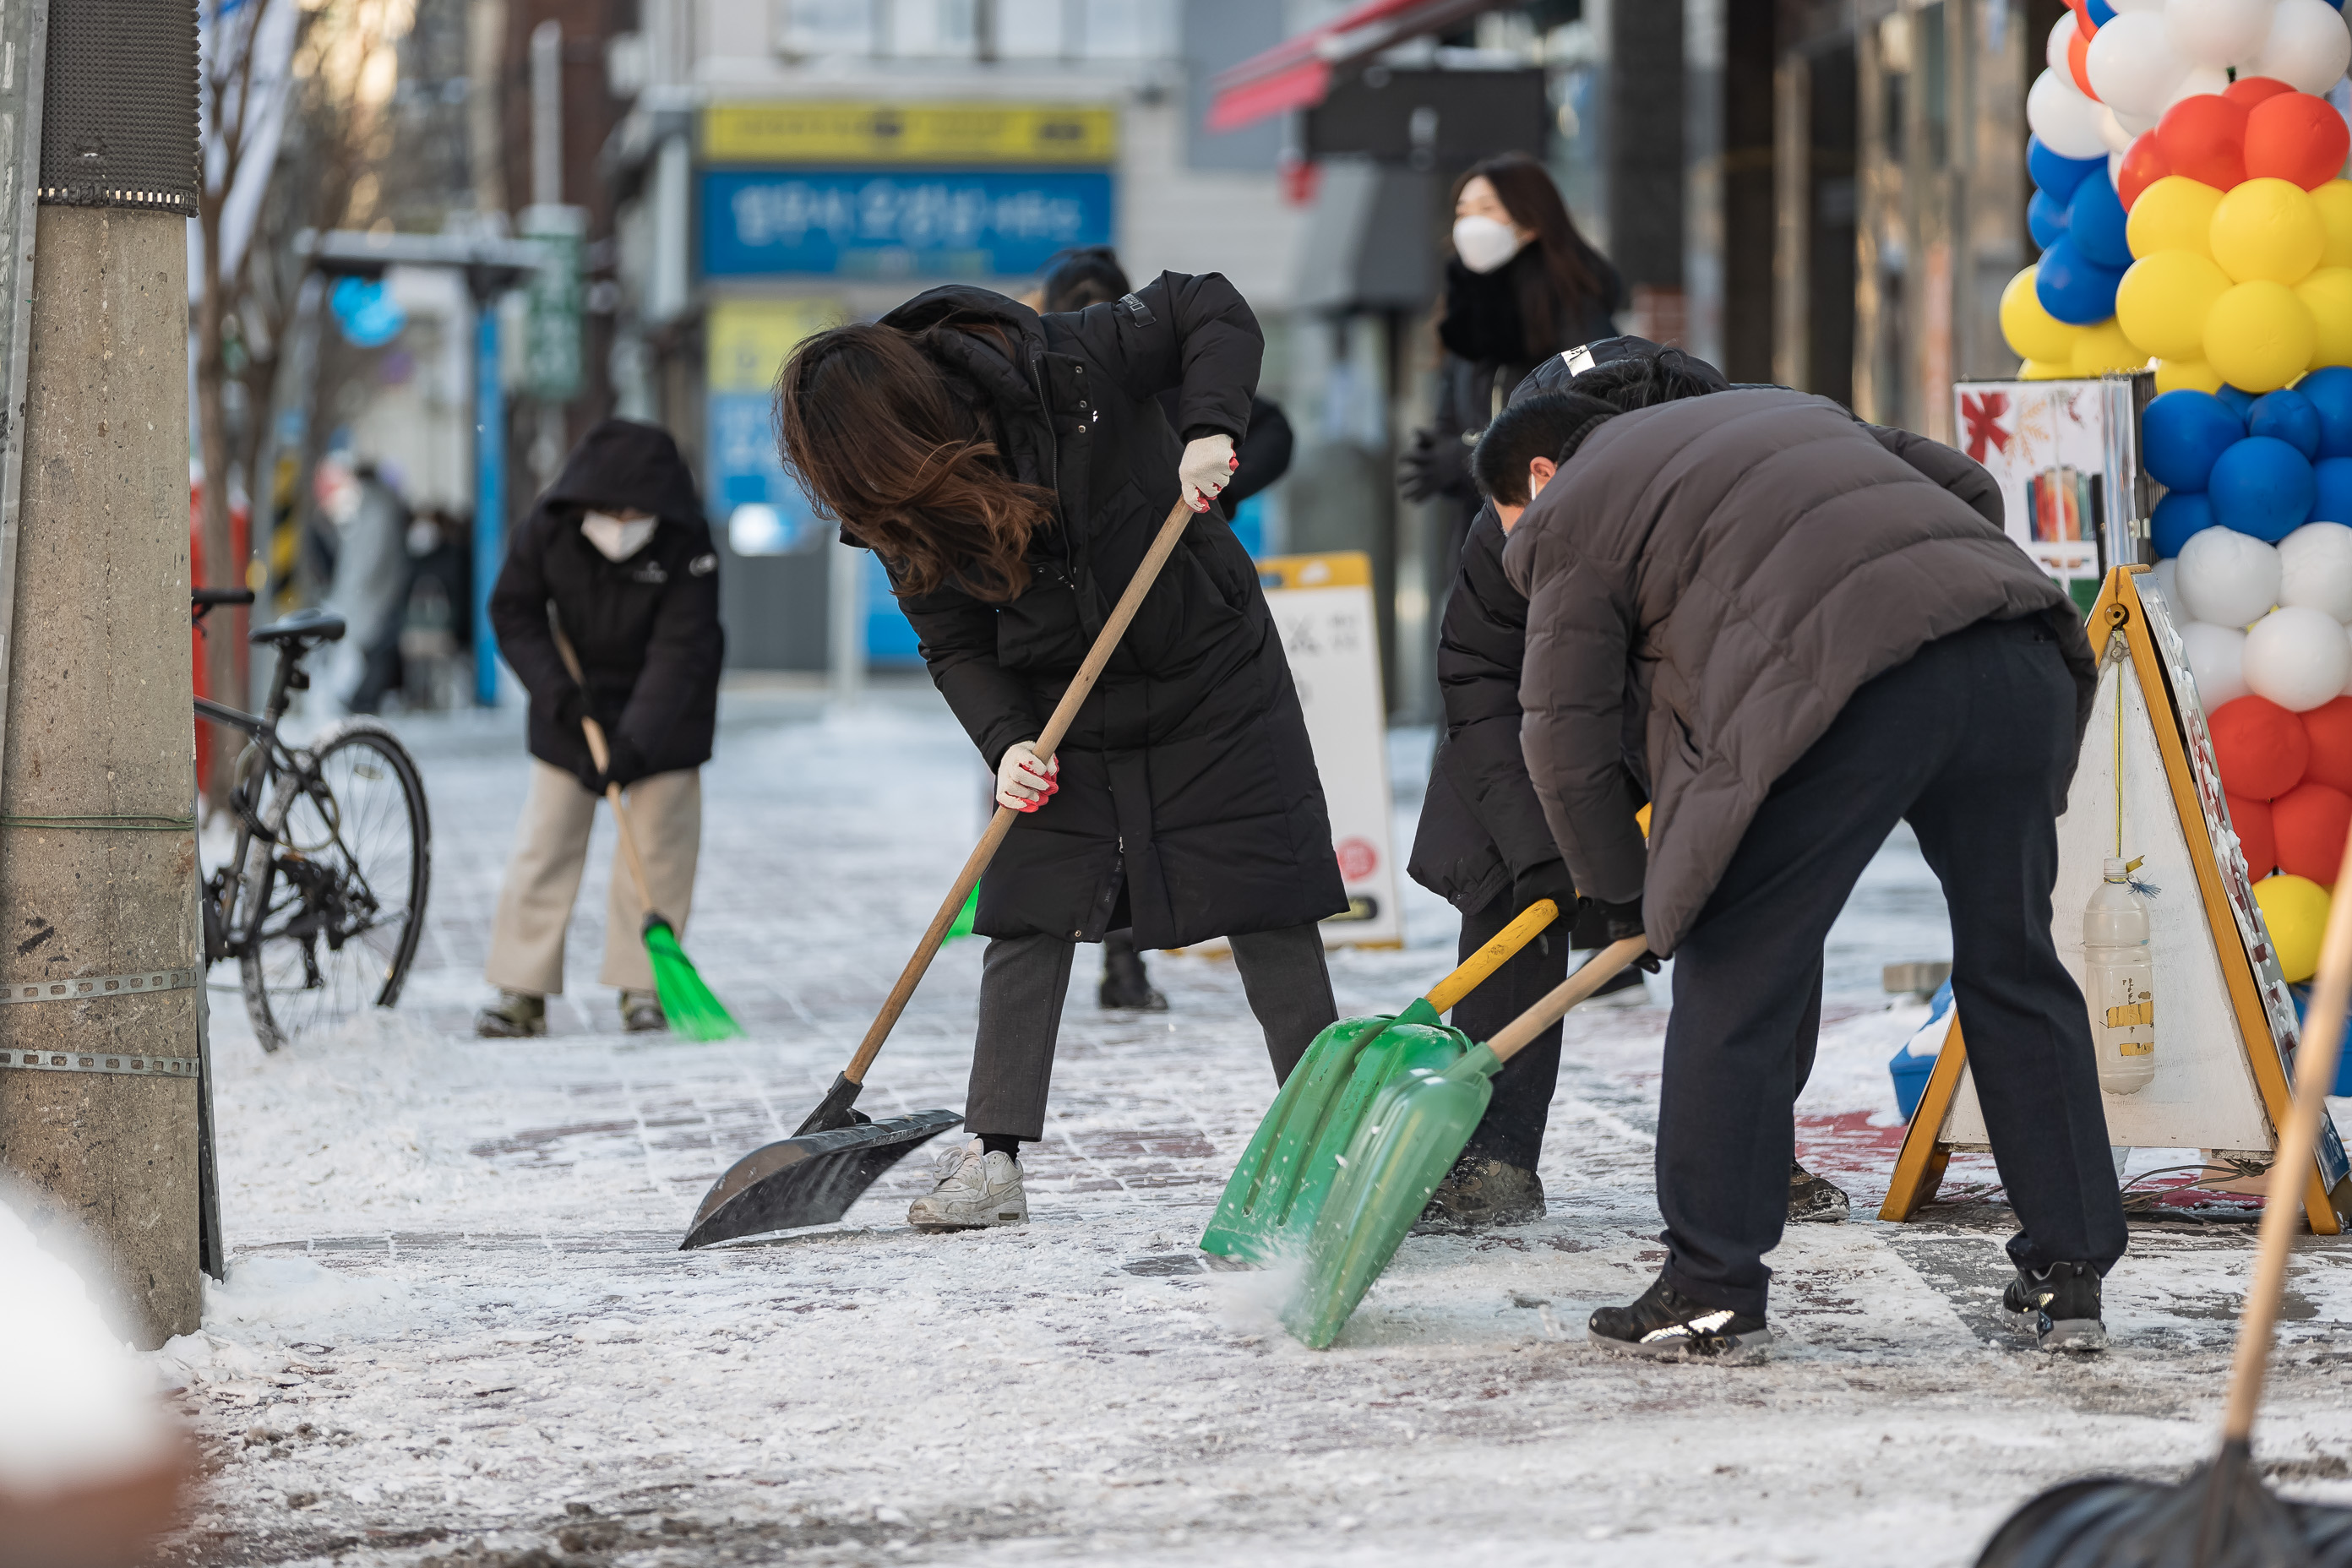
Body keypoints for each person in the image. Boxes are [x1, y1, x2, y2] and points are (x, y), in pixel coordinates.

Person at [1504, 382, 2127, 1358]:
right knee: (2013, 961)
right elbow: (1964, 481)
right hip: (2016, 650)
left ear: (1540, 474)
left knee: (1734, 978)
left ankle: (1710, 1283)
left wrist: (1628, 896)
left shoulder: (1571, 510)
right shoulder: (1783, 408)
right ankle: (2071, 1267)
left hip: (1849, 688)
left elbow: (1564, 741)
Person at [776, 271, 1345, 1232]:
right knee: (1028, 904)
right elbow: (952, 640)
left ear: (912, 427)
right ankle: (991, 1158)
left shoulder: (1069, 361)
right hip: (1057, 698)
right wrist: (1004, 743)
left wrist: (1211, 427)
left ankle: (1333, 1138)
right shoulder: (899, 506)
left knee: (1266, 893)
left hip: (1205, 667)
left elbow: (1210, 304)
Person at [1408, 340, 1853, 1233]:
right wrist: (1545, 847)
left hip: (1712, 703)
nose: (1519, 547)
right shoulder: (1514, 510)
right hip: (1550, 713)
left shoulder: (1717, 486)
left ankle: (1756, 1143)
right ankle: (1493, 1155)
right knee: (1505, 882)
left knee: (1758, 890)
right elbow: (1479, 680)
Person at [1033, 245, 1298, 1013]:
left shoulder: (1167, 373)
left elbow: (1267, 427)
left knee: (1130, 806)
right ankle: (1122, 961)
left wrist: (1215, 459)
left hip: (1173, 617)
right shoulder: (1044, 387)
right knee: (1095, 804)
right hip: (1096, 629)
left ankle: (1128, 960)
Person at [474, 419, 725, 1038]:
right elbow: (514, 610)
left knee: (660, 838)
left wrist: (636, 741)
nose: (619, 521)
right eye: (608, 507)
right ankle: (521, 988)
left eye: (634, 510)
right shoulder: (551, 528)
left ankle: (644, 986)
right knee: (547, 837)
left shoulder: (686, 543)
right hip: (573, 696)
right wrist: (559, 696)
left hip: (668, 707)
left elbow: (682, 649)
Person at [1397, 152, 1623, 569]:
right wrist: (1448, 458)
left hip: (1560, 542)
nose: (1469, 224)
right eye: (1462, 212)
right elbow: (1451, 423)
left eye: (1487, 209)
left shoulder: (1576, 314)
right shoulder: (1465, 313)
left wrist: (1472, 456)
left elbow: (1587, 424)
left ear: (1531, 222)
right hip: (1482, 542)